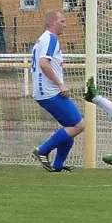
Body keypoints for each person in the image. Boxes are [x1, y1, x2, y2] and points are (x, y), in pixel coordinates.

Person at [30, 10, 85, 172]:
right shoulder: (50, 39)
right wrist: (60, 84)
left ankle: (58, 165)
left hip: (44, 92)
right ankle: (42, 150)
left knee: (70, 127)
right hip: (50, 92)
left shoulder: (42, 40)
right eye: (62, 21)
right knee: (79, 125)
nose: (65, 25)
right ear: (52, 22)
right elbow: (44, 64)